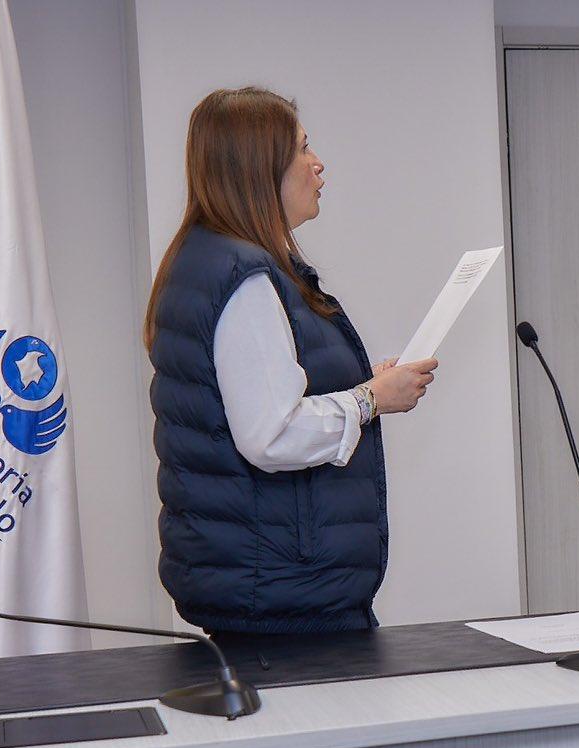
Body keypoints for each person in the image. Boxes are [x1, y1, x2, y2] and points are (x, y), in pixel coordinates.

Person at [145, 87, 438, 633]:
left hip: (263, 585)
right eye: (303, 149)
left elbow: (263, 396)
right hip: (281, 599)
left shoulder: (206, 260)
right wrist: (371, 399)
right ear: (261, 168)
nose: (317, 163)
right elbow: (270, 434)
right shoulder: (244, 277)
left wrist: (364, 386)